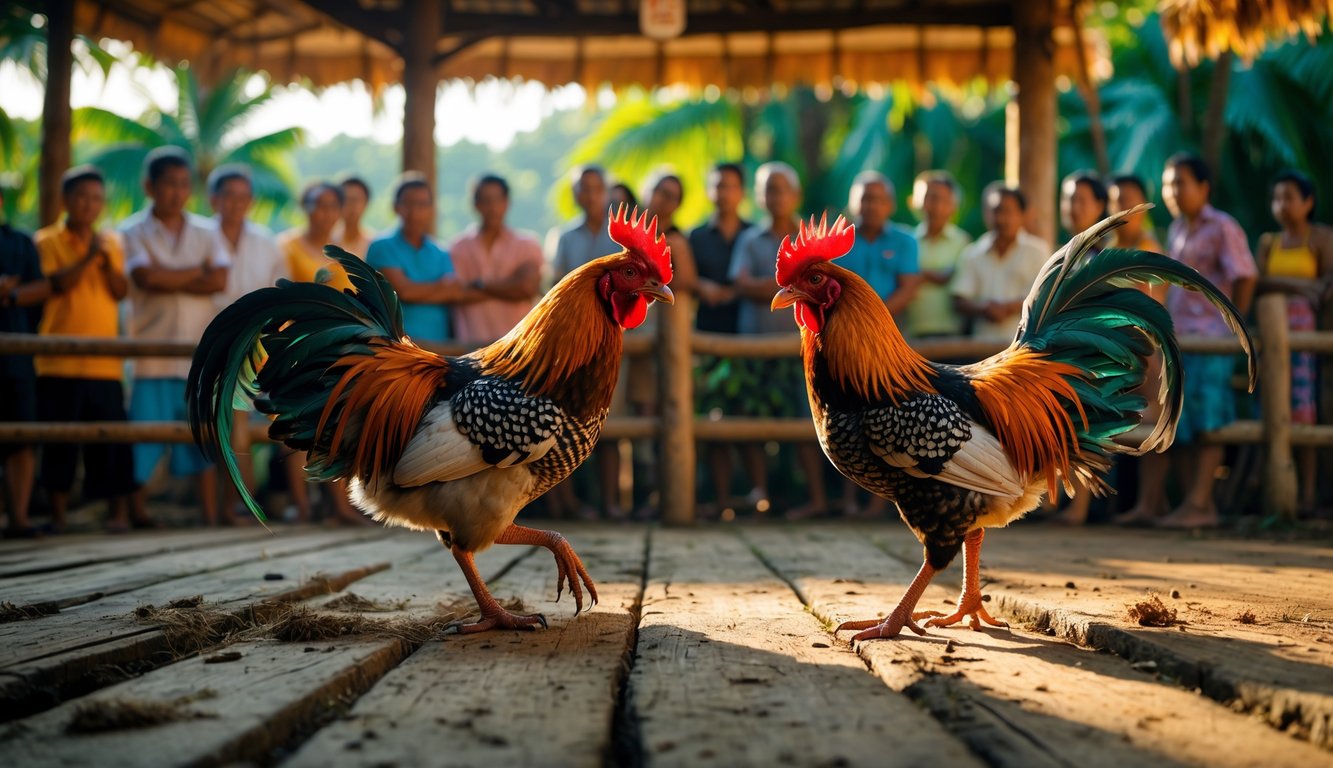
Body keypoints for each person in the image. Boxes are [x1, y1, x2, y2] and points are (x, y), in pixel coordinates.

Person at [1121, 153, 1258, 529]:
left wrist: (1235, 324)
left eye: (1180, 183)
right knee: (1185, 418)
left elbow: (1245, 274)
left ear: (1203, 187)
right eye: (1168, 184)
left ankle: (1201, 504)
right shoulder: (1179, 229)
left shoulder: (1222, 227)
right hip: (1183, 338)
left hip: (1212, 338)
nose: (1172, 191)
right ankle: (1190, 503)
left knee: (1209, 418)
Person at [120, 146, 229, 527]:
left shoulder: (206, 230)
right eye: (169, 184)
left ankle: (210, 516)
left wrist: (167, 275)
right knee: (142, 437)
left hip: (195, 353)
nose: (177, 192)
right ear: (150, 186)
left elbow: (218, 279)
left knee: (201, 434)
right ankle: (132, 513)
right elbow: (143, 279)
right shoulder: (131, 230)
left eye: (184, 184)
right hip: (150, 354)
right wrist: (193, 273)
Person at [32, 167, 137, 533]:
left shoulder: (113, 244)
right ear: (65, 201)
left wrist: (105, 260)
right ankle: (58, 516)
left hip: (104, 363)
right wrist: (89, 255)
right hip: (58, 360)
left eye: (96, 199)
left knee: (112, 442)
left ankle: (118, 514)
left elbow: (121, 291)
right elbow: (57, 284)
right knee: (60, 441)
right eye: (81, 197)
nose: (89, 205)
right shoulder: (46, 241)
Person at [730, 161, 829, 519]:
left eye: (780, 188)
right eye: (768, 189)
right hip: (754, 344)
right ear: (759, 197)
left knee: (808, 422)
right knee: (755, 423)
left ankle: (815, 497)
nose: (774, 196)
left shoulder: (811, 238)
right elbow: (741, 283)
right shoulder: (750, 239)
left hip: (801, 347)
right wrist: (795, 287)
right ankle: (763, 495)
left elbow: (822, 283)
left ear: (796, 194)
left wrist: (773, 287)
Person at [208, 164, 288, 522]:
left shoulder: (265, 241)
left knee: (268, 421)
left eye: (243, 196)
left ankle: (253, 501)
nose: (236, 203)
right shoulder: (201, 236)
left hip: (261, 344)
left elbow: (278, 292)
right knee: (233, 424)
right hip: (215, 345)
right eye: (229, 196)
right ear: (214, 199)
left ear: (251, 200)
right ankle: (237, 503)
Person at [547, 165, 624, 519]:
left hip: (611, 341)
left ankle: (610, 502)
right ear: (576, 194)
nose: (590, 194)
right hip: (573, 345)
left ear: (606, 191)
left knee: (611, 422)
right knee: (560, 426)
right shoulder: (564, 237)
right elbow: (554, 289)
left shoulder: (620, 238)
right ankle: (568, 504)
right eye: (584, 189)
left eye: (596, 188)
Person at [1256, 170, 1333, 516]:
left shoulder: (1322, 238)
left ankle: (1308, 495)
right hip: (1272, 334)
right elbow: (1258, 283)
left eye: (1288, 197)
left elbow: (1328, 286)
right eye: (1276, 198)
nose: (1281, 205)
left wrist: (1283, 284)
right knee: (1274, 406)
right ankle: (1278, 491)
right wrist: (1302, 287)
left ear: (1308, 202)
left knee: (1306, 409)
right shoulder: (1268, 242)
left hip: (1307, 336)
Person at [689, 162, 759, 519]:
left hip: (749, 336)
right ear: (709, 191)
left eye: (730, 186)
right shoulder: (696, 236)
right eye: (717, 186)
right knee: (714, 420)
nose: (723, 192)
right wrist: (703, 287)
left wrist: (731, 290)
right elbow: (685, 278)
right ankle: (720, 500)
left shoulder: (755, 233)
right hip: (708, 337)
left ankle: (761, 496)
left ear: (741, 192)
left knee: (752, 417)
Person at [366, 173, 468, 345]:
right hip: (393, 349)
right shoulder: (381, 246)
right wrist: (440, 288)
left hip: (439, 351)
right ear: (395, 207)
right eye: (408, 203)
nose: (415, 211)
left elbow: (453, 292)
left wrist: (416, 292)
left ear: (431, 209)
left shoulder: (441, 251)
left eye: (422, 204)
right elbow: (405, 291)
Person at [0, 186, 47, 537]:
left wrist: (12, 294)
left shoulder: (20, 242)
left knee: (23, 436)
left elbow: (42, 288)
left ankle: (19, 517)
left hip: (17, 352)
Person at [447, 174, 544, 345]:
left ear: (507, 203)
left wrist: (479, 284)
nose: (492, 207)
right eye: (485, 200)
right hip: (469, 351)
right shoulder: (458, 247)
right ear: (475, 204)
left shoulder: (527, 244)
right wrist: (510, 285)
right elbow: (456, 293)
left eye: (497, 200)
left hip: (518, 347)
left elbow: (527, 288)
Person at [952, 185, 1050, 340]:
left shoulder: (1038, 252)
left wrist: (1007, 308)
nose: (1001, 218)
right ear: (986, 214)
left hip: (1025, 347)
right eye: (996, 211)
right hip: (981, 350)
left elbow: (1045, 296)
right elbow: (959, 300)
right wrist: (984, 309)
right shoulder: (972, 253)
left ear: (1022, 215)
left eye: (1008, 212)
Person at [907, 171, 970, 339]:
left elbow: (952, 278)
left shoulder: (963, 242)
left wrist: (920, 275)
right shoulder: (907, 242)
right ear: (915, 202)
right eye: (929, 198)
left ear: (953, 206)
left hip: (953, 334)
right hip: (910, 336)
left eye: (943, 199)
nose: (936, 206)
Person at [281, 182, 352, 292]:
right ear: (306, 207)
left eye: (334, 206)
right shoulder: (286, 247)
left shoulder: (345, 250)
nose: (328, 213)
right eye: (321, 206)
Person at [337, 176, 373, 258]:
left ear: (366, 203)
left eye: (356, 200)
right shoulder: (326, 240)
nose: (351, 205)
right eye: (346, 199)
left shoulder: (373, 242)